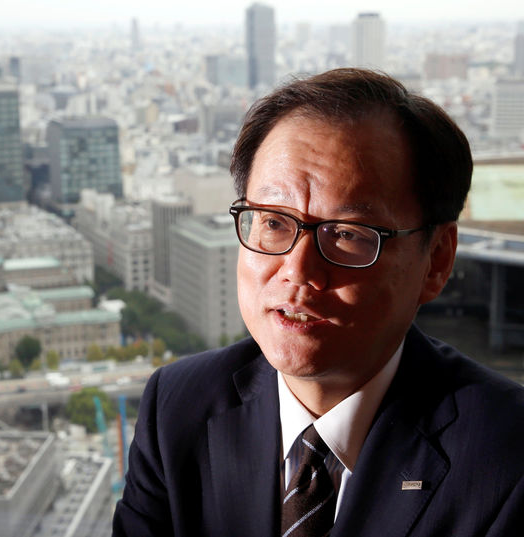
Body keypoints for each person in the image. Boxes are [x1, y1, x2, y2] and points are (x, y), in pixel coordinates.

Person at [112, 68, 524, 537]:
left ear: (436, 260)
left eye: (347, 234)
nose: (298, 270)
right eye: (272, 222)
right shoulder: (179, 408)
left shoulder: (506, 461)